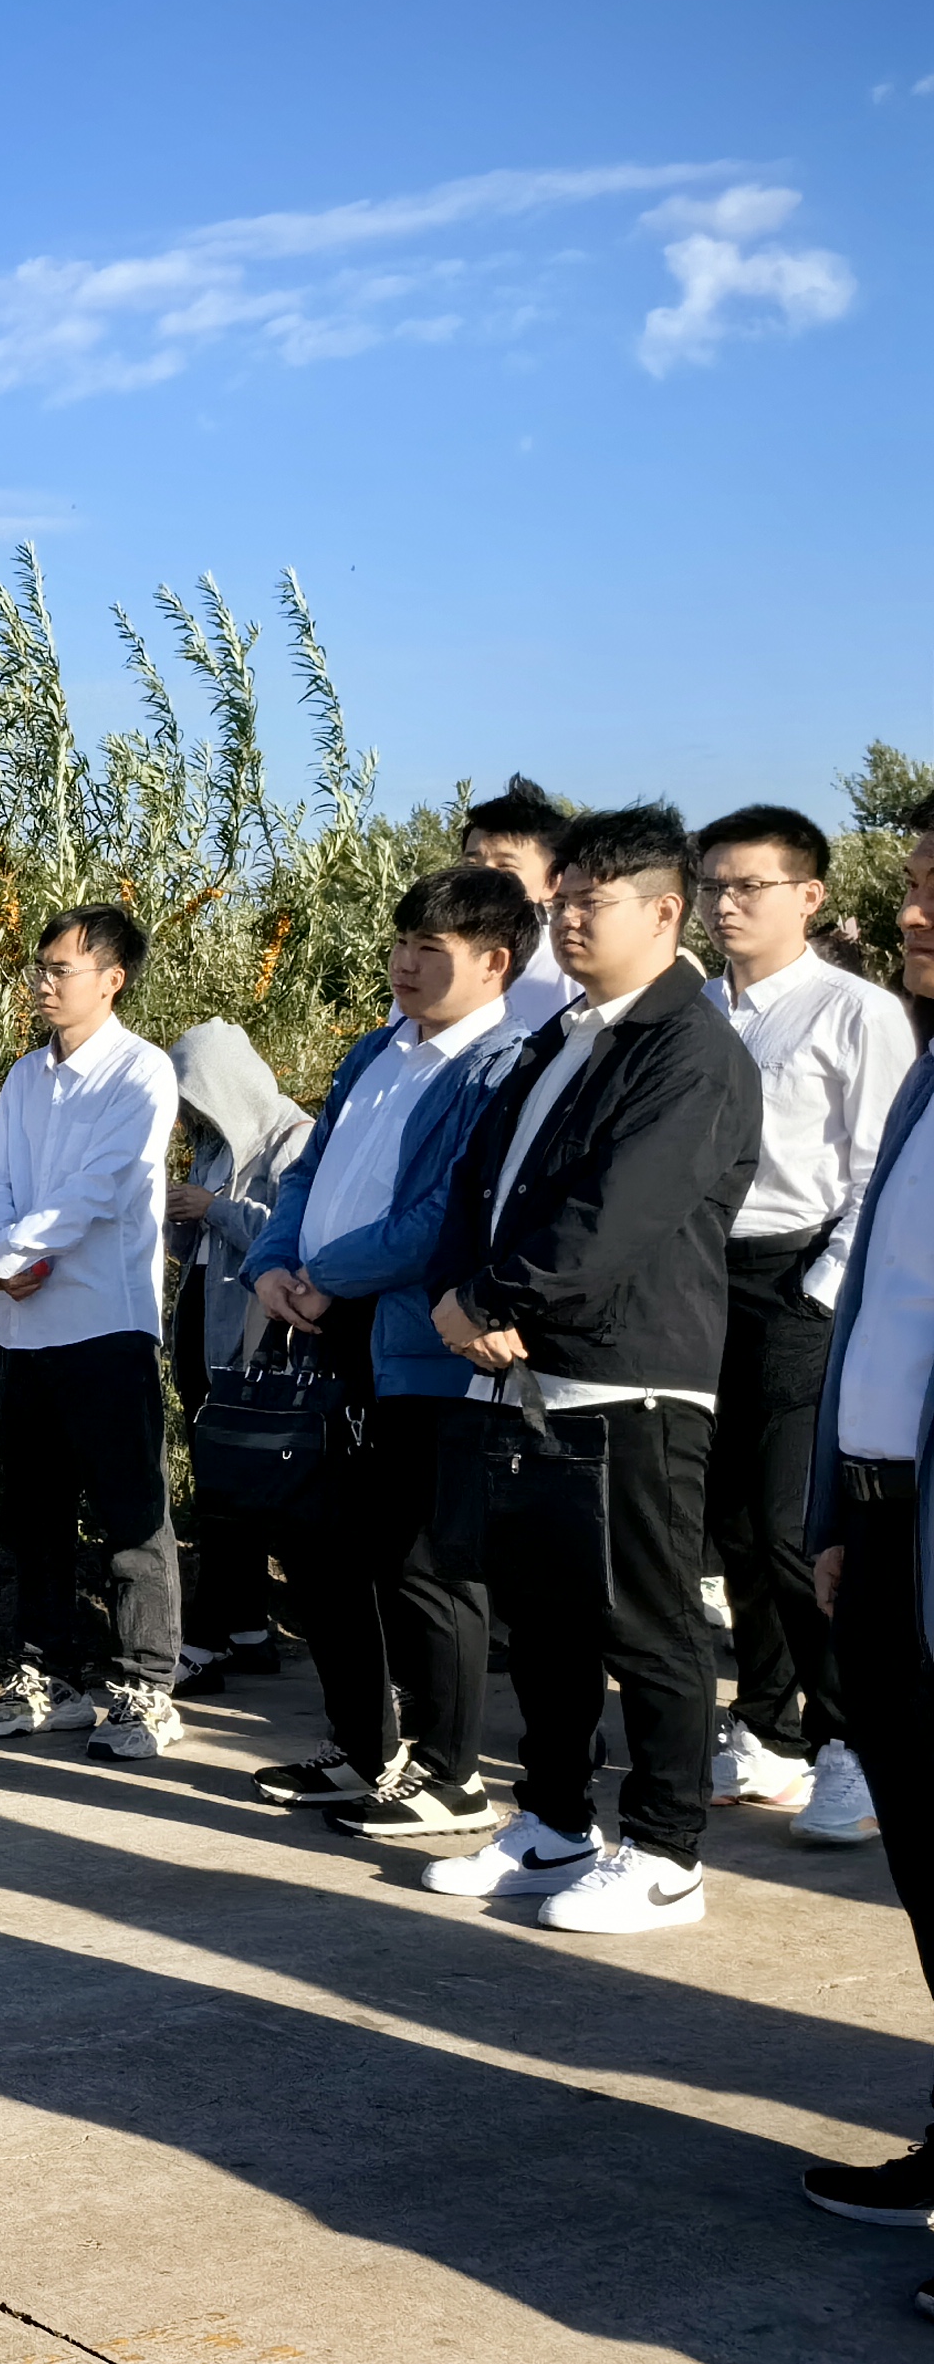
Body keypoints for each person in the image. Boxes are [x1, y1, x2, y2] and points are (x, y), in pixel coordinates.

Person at [422, 804, 761, 1934]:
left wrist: (492, 1297)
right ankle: (555, 1822)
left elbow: (619, 1212)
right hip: (526, 1371)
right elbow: (481, 1183)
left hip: (631, 1375)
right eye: (560, 900)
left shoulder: (691, 1050)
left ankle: (665, 1853)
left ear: (665, 913)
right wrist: (465, 1295)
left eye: (591, 902)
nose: (566, 919)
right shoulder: (561, 1036)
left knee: (647, 1625)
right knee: (549, 1623)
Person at [239, 865, 540, 1840]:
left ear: (495, 963)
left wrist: (326, 1274)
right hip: (323, 1317)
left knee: (423, 1561)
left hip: (415, 1338)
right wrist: (273, 1265)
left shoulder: (499, 1066)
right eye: (402, 944)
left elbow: (442, 1219)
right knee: (325, 1550)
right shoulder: (376, 1048)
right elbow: (307, 1172)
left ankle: (452, 1774)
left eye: (431, 950)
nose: (406, 965)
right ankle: (362, 1750)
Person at [693, 804, 914, 1845]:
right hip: (703, 1276)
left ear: (809, 896)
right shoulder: (700, 1009)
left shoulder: (854, 1011)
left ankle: (849, 1746)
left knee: (791, 1527)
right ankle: (767, 1730)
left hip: (801, 1275)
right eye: (712, 885)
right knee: (734, 1521)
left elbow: (878, 1168)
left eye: (750, 885)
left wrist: (824, 1291)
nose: (725, 904)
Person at [796, 801, 934, 2251]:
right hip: (890, 1535)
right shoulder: (927, 1081)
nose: (911, 913)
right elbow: (878, 1327)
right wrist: (841, 1511)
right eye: (913, 886)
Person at [0, 905, 188, 1756]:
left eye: (63, 969)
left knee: (132, 1515)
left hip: (106, 1324)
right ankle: (46, 1676)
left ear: (112, 979)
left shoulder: (141, 1072)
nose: (45, 982)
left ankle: (147, 1687)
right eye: (42, 967)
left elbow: (100, 1189)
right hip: (24, 1328)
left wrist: (10, 1254)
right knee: (35, 1516)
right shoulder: (27, 1077)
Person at [164, 1019, 316, 1697]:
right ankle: (250, 1632)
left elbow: (292, 1238)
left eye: (196, 1097)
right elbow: (194, 1247)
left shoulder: (292, 1139)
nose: (192, 1115)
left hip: (255, 1346)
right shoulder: (211, 1150)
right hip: (203, 1339)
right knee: (223, 1486)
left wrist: (214, 1207)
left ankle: (202, 1643)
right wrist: (180, 1213)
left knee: (233, 1495)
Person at [459, 777, 579, 1039]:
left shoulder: (571, 967)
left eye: (506, 867)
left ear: (553, 882)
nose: (483, 879)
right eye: (471, 865)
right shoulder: (431, 957)